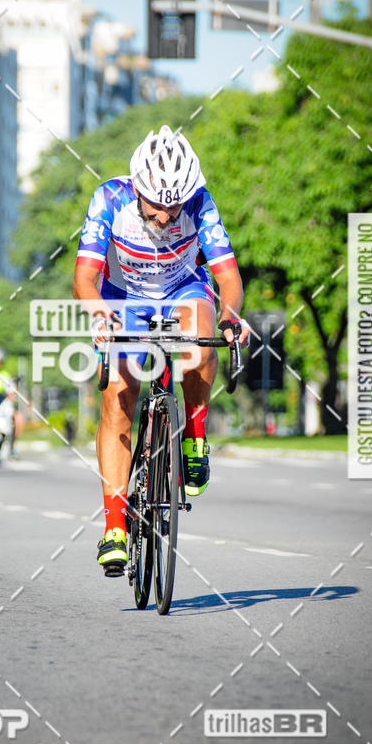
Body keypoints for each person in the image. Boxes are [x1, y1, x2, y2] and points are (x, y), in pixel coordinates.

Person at [72, 125, 250, 575]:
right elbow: (85, 279)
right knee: (117, 395)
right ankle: (114, 528)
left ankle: (194, 438)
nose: (167, 217)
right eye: (156, 205)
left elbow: (227, 277)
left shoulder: (198, 203)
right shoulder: (109, 199)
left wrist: (230, 316)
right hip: (123, 295)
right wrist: (99, 317)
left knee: (200, 342)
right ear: (136, 187)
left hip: (181, 289)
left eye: (174, 206)